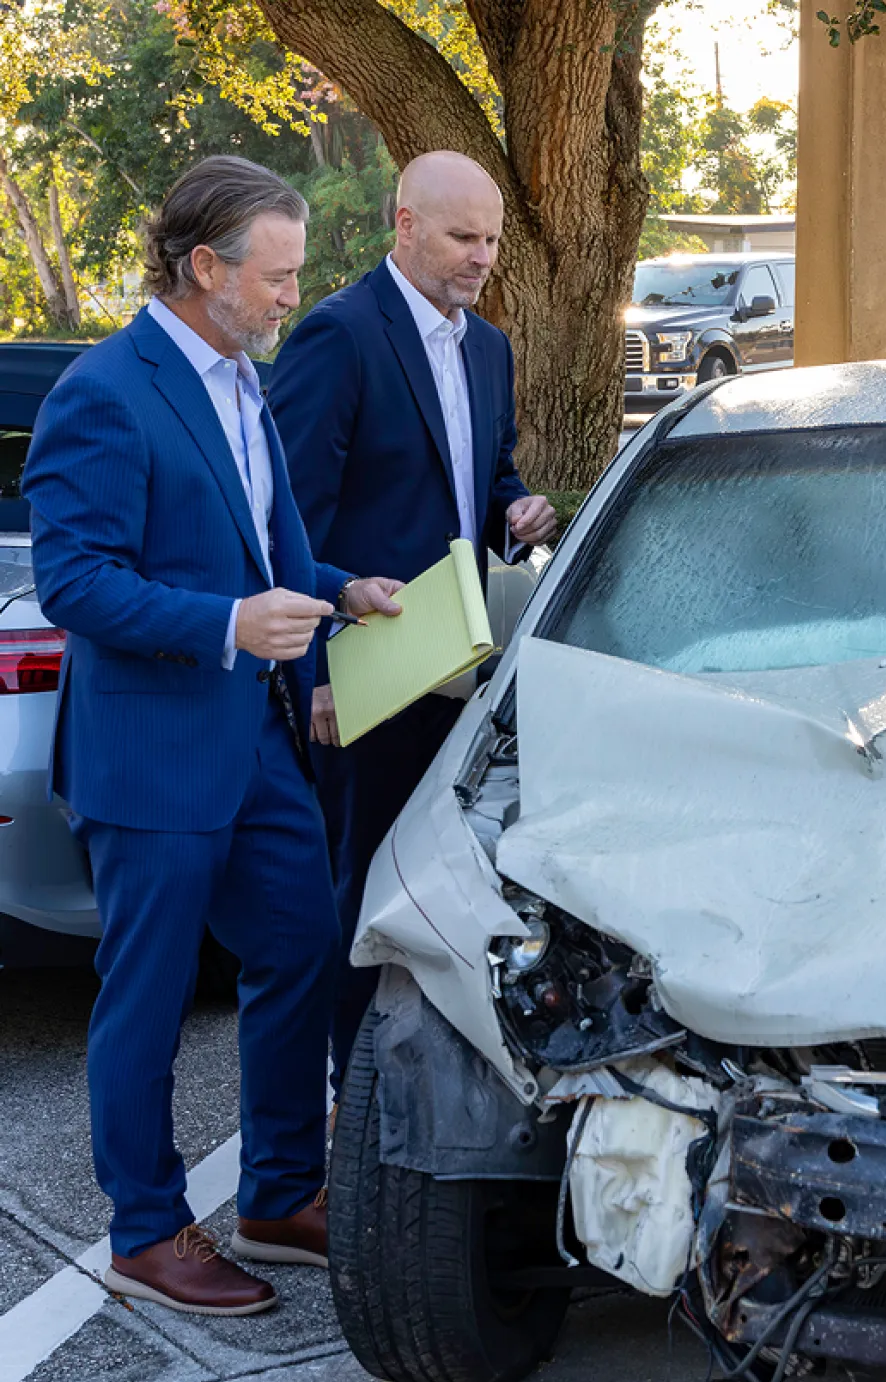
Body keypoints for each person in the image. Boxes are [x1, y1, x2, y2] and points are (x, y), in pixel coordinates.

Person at [23, 156, 402, 1317]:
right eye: (277, 274)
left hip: (253, 746)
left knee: (302, 945)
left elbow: (271, 552)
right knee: (143, 996)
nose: (295, 293)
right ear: (204, 267)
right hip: (150, 761)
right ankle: (144, 1229)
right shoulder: (103, 390)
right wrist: (228, 622)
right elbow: (75, 581)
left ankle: (280, 1192)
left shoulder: (242, 380)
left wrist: (342, 589)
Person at [268, 150, 557, 1101]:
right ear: (405, 225)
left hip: (461, 668)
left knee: (438, 886)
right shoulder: (338, 337)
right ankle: (357, 1113)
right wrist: (312, 672)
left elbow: (485, 477)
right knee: (362, 893)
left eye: (492, 240)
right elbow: (289, 519)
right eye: (463, 237)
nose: (482, 257)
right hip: (366, 672)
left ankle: (429, 1090)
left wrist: (516, 508)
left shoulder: (491, 348)